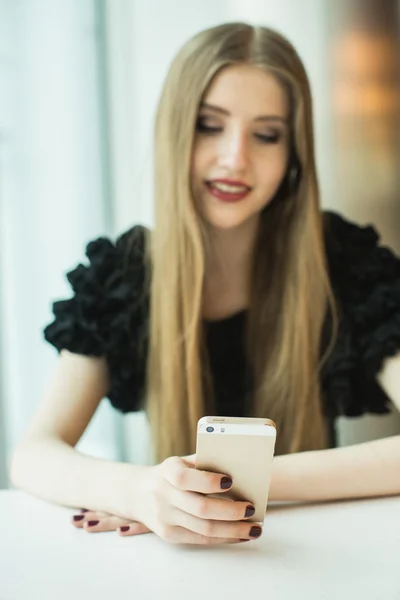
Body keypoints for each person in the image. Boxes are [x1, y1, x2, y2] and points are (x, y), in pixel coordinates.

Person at [9, 22, 400, 546]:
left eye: (266, 134)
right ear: (175, 132)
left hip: (313, 552)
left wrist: (226, 488)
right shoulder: (125, 275)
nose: (235, 158)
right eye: (209, 126)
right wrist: (140, 490)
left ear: (292, 156)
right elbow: (33, 455)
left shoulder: (343, 263)